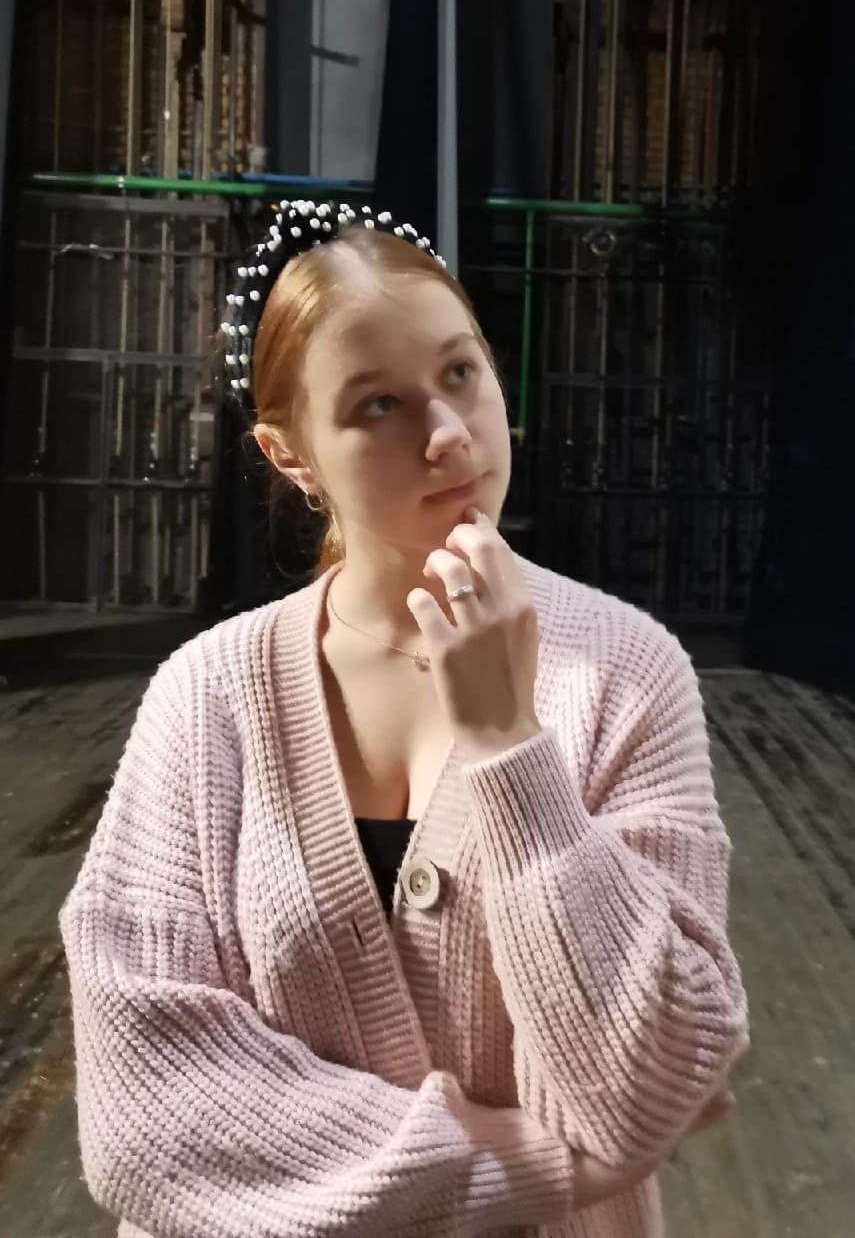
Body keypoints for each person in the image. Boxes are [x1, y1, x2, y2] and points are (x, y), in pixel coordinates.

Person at [58, 199, 751, 1238]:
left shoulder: (626, 671)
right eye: (377, 404)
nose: (449, 435)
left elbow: (649, 1072)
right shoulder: (207, 697)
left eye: (461, 372)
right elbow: (146, 1116)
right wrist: (543, 1162)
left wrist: (510, 745)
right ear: (291, 455)